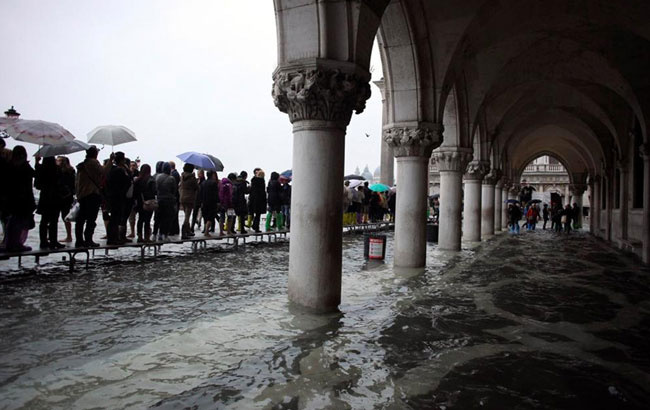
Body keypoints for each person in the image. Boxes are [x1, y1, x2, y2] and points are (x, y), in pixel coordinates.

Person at [2, 146, 36, 252]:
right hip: (23, 199)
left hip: (12, 198)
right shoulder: (24, 167)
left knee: (12, 222)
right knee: (18, 222)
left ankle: (9, 243)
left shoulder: (9, 166)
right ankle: (15, 244)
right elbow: (33, 174)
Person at [75, 146, 104, 247]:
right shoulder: (93, 163)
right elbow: (103, 172)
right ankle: (88, 239)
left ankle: (79, 240)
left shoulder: (82, 165)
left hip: (82, 194)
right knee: (91, 219)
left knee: (81, 219)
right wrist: (110, 161)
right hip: (92, 194)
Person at [105, 152, 132, 245]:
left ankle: (113, 237)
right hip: (118, 196)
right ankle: (113, 238)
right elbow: (128, 180)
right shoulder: (119, 170)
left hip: (112, 196)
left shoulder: (110, 170)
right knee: (115, 218)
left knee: (114, 217)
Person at [133, 164, 156, 242]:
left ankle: (139, 236)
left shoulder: (137, 180)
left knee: (140, 219)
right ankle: (147, 237)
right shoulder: (151, 179)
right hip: (148, 202)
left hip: (140, 202)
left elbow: (134, 192)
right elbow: (154, 191)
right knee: (147, 220)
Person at [156, 162, 178, 240]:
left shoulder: (158, 177)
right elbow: (174, 190)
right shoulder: (171, 178)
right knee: (167, 218)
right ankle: (164, 234)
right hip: (168, 200)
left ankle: (156, 234)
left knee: (158, 217)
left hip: (159, 199)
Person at [56, 156, 76, 242]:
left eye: (58, 160)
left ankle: (53, 236)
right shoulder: (72, 171)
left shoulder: (60, 171)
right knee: (65, 216)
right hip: (68, 196)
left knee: (56, 217)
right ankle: (69, 236)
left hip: (60, 196)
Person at [179, 163, 199, 239]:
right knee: (187, 216)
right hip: (190, 198)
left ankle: (188, 231)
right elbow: (196, 187)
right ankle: (184, 232)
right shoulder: (192, 178)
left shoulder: (182, 176)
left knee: (186, 214)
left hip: (182, 197)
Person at [200, 171, 221, 236]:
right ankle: (206, 232)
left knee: (206, 217)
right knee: (210, 217)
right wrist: (218, 202)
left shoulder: (203, 183)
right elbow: (216, 193)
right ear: (212, 175)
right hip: (212, 202)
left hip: (204, 202)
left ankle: (206, 230)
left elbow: (200, 192)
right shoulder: (214, 183)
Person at [248, 169, 266, 233]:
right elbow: (262, 192)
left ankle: (253, 225)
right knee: (258, 214)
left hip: (253, 199)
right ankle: (256, 227)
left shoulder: (253, 181)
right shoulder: (261, 181)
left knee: (253, 213)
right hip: (259, 200)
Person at [191, 169, 205, 234]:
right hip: (196, 199)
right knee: (194, 214)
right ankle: (192, 227)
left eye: (199, 173)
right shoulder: (197, 180)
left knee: (203, 214)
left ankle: (204, 227)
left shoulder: (203, 181)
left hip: (201, 199)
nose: (198, 175)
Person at [169, 160, 181, 236]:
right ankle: (175, 230)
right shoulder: (176, 174)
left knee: (173, 214)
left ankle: (173, 230)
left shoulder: (173, 174)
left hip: (174, 196)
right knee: (175, 214)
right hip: (176, 196)